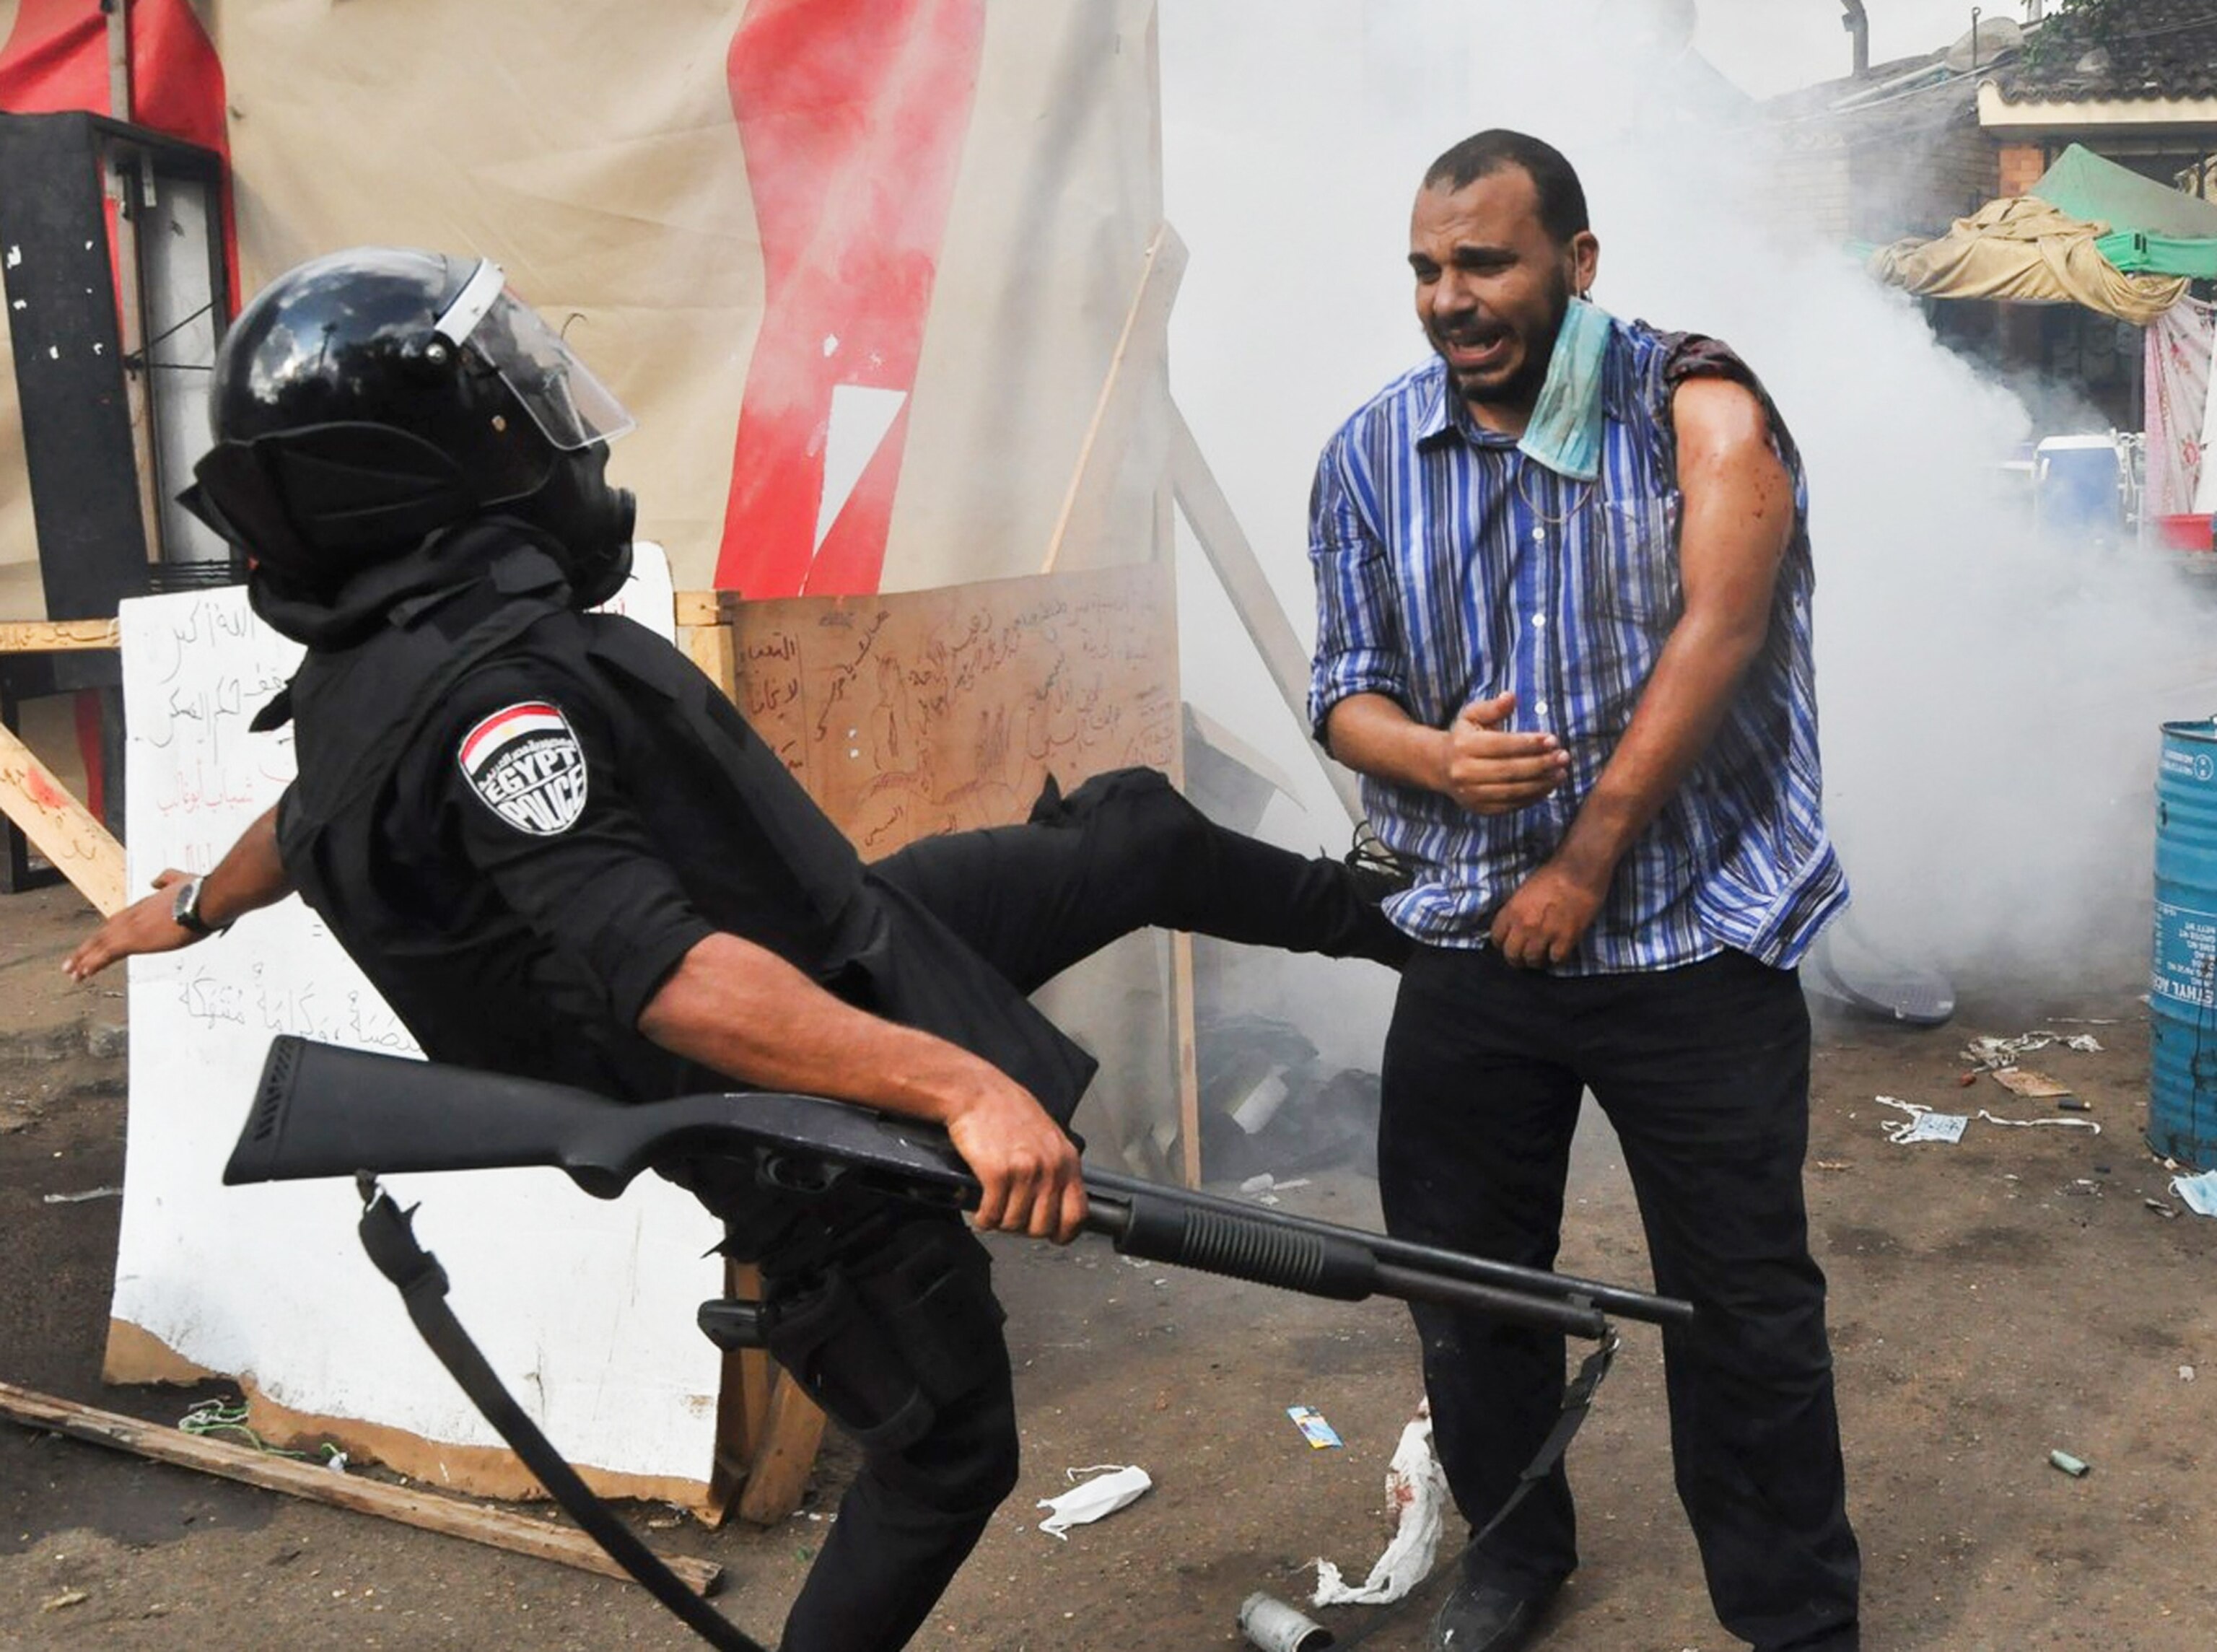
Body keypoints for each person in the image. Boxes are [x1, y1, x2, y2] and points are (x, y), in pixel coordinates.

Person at [68, 245, 1409, 1652]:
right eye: (496, 401)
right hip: (796, 1106)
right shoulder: (495, 703)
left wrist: (195, 901)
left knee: (1128, 837)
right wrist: (958, 1086)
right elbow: (671, 974)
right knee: (946, 1451)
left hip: (844, 946)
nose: (536, 421)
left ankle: (1419, 930)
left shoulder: (386, 652)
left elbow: (305, 812)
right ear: (413, 466)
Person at [1306, 131, 1858, 1652]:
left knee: (1741, 1309)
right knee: (1467, 1289)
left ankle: (1795, 1616)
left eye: (1486, 262)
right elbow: (1340, 690)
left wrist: (1581, 857)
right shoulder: (1369, 455)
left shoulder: (1703, 414)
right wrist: (1429, 753)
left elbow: (1722, 636)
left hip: (1693, 937)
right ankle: (1514, 1545)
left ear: (1578, 263)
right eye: (1427, 267)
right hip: (1477, 936)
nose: (1450, 298)